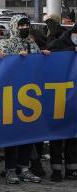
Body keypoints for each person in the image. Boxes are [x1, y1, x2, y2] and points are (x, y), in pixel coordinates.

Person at [0, 14, 48, 185]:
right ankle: (11, 170)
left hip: (31, 95)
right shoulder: (6, 43)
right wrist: (13, 58)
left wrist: (44, 56)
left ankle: (24, 168)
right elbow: (1, 62)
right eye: (21, 25)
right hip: (12, 95)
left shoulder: (32, 43)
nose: (25, 28)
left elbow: (38, 64)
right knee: (13, 135)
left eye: (27, 25)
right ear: (14, 26)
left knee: (28, 134)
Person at [46, 23, 77, 181]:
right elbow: (49, 54)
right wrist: (71, 52)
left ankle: (72, 169)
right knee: (57, 135)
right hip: (57, 97)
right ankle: (56, 170)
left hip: (73, 99)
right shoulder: (60, 43)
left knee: (73, 135)